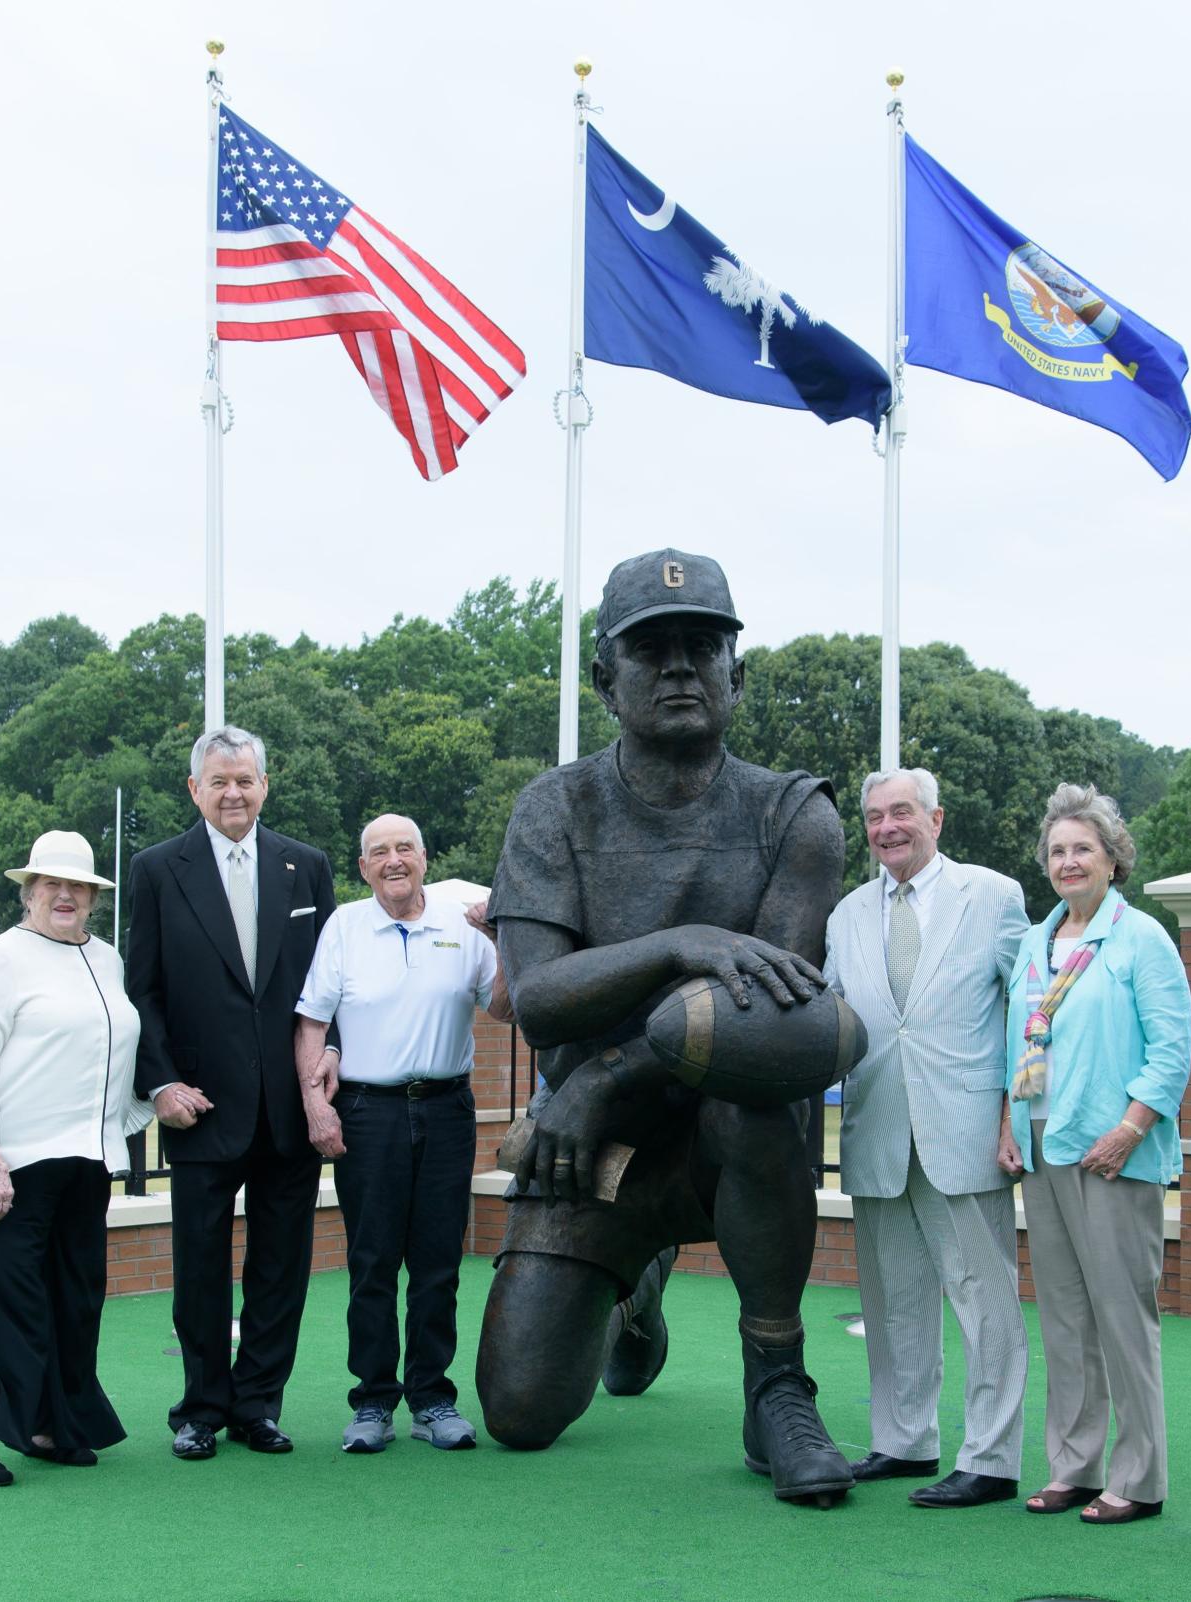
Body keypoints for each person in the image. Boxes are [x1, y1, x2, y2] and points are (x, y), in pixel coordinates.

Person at [474, 547, 860, 1507]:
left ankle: (777, 1382)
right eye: (652, 651)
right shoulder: (554, 807)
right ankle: (632, 1282)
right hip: (591, 1150)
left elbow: (761, 1017)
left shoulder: (794, 815)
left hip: (710, 1131)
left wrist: (599, 1079)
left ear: (740, 671)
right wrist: (682, 943)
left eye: (703, 646)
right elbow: (542, 997)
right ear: (606, 680)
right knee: (520, 1412)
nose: (681, 667)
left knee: (756, 1095)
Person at [125, 726, 340, 1462]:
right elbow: (142, 991)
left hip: (288, 1111)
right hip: (199, 1107)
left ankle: (259, 1406)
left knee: (281, 1268)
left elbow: (328, 987)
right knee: (201, 1272)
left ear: (265, 785)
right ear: (194, 790)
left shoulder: (306, 867)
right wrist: (159, 1083)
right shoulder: (158, 870)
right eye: (218, 781)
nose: (233, 793)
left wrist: (329, 1057)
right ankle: (201, 1409)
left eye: (245, 780)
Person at [824, 767, 1031, 1510]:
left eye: (901, 812)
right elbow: (833, 1018)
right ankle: (904, 1441)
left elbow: (1028, 1014)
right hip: (878, 1131)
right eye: (875, 817)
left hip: (968, 1132)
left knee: (986, 1303)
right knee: (893, 1303)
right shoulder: (846, 912)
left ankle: (992, 1458)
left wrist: (1015, 1116)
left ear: (936, 819)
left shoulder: (995, 896)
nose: (887, 827)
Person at [999, 785, 1191, 1524]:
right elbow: (1015, 1039)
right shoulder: (1034, 943)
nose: (1069, 861)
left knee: (1121, 1315)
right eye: (1057, 850)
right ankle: (1073, 1467)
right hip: (1044, 1150)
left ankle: (1139, 1478)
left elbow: (1173, 1050)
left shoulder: (1142, 939)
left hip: (1111, 1151)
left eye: (1084, 848)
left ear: (1114, 859)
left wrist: (1132, 1128)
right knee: (1066, 1318)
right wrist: (1009, 1122)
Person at [0, 829, 150, 1487]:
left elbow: (114, 1057)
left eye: (77, 886)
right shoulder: (1, 959)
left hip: (85, 1163)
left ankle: (49, 1423)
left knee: (74, 1300)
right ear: (30, 892)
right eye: (52, 884)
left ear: (92, 897)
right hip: (12, 1164)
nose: (65, 895)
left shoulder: (108, 960)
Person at [295, 814, 512, 1454]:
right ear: (363, 868)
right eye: (379, 852)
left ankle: (432, 1399)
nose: (393, 861)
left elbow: (500, 1006)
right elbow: (312, 1020)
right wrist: (316, 1104)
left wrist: (505, 941)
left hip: (447, 1109)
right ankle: (372, 1402)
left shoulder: (462, 926)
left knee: (438, 1263)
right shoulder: (344, 927)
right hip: (368, 1111)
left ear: (424, 856)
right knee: (371, 1262)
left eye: (404, 849)